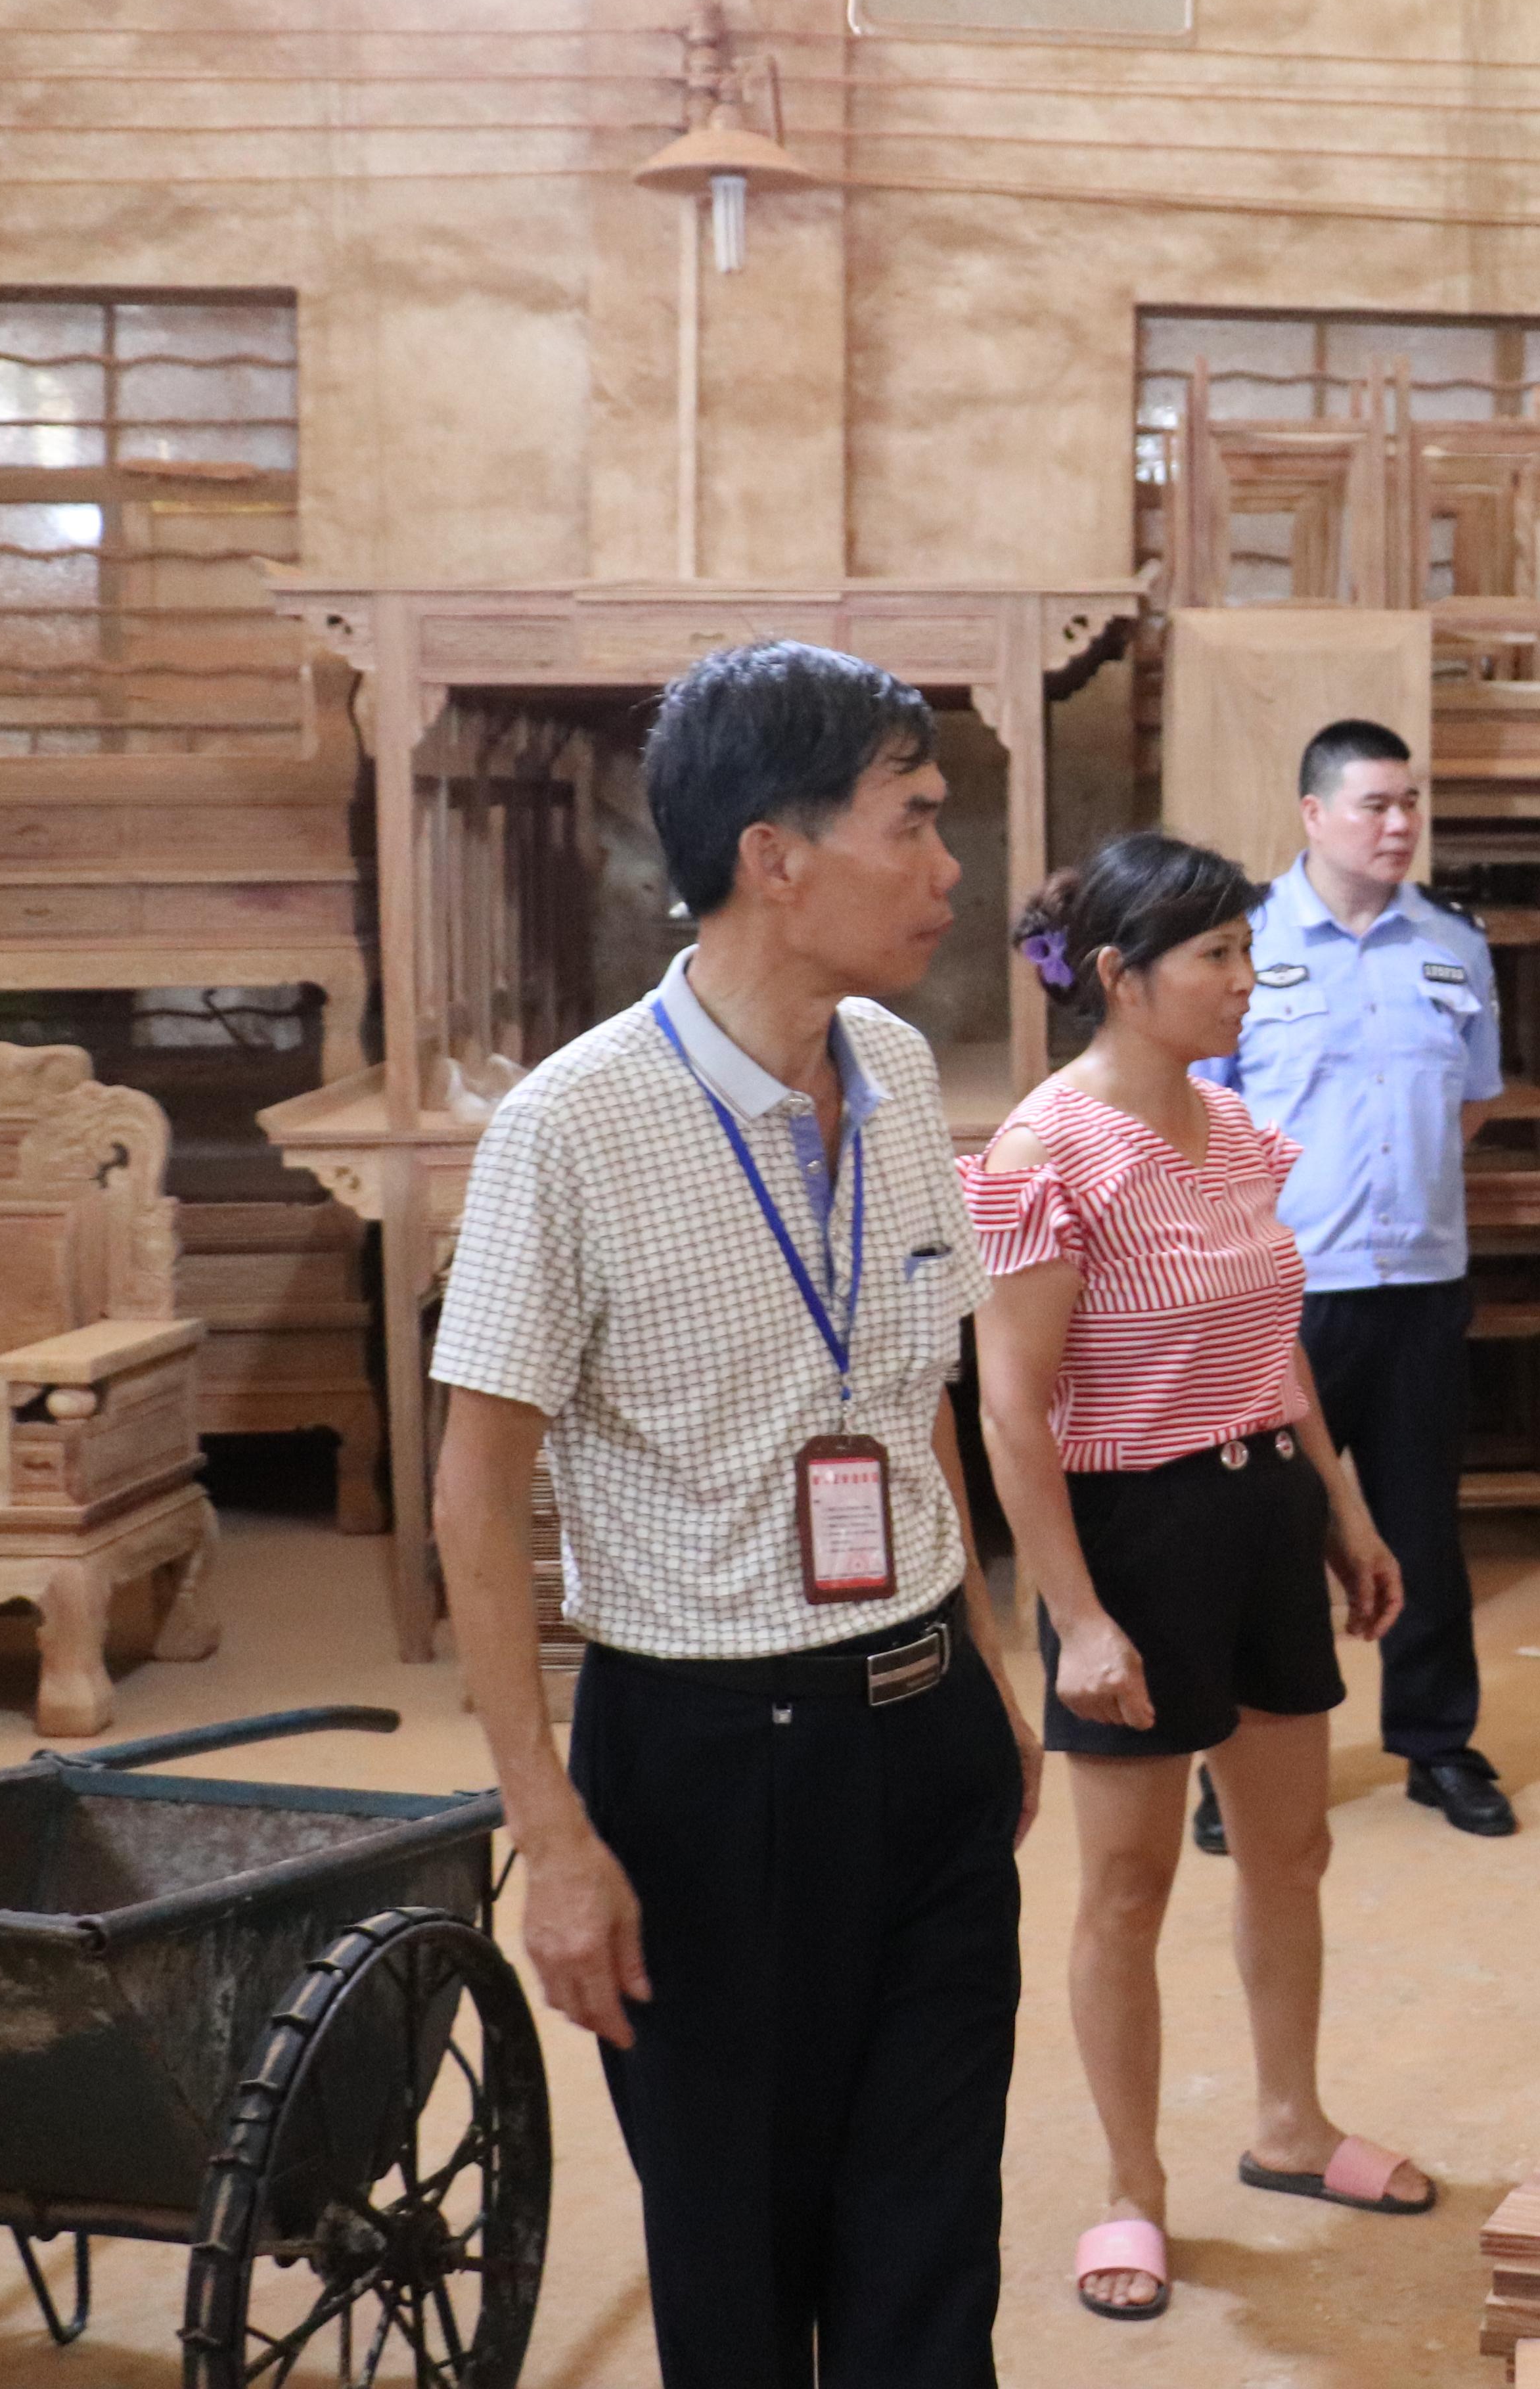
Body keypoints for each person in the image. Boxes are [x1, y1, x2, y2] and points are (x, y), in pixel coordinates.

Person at [428, 639, 1039, 2387]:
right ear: (775, 855)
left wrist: (984, 1663)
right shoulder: (572, 1128)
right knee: (741, 2270)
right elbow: (478, 1491)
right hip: (709, 1767)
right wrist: (550, 1832)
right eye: (912, 823)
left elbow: (917, 1397)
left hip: (927, 1729)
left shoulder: (897, 1072)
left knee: (932, 2249)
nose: (949, 870)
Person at [961, 830, 1430, 2326]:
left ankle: (1290, 2124)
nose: (1247, 981)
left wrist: (1343, 1511)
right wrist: (1078, 1619)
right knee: (1126, 1886)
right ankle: (1131, 2188)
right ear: (1120, 976)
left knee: (1290, 1850)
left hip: (1261, 1511)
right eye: (1219, 955)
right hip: (1132, 1537)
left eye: (1248, 951)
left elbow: (1270, 1342)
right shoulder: (1045, 1151)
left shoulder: (1231, 1126)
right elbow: (1011, 1411)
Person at [1191, 717, 1513, 1844]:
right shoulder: (1244, 941)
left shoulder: (1455, 943)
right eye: (1375, 804)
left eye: (1409, 802)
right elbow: (1206, 1110)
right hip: (1288, 1294)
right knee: (1272, 1530)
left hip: (1420, 1282)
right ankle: (1243, 1755)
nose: (1399, 823)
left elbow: (1471, 1101)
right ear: (1314, 814)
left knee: (1423, 1524)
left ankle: (1437, 1744)